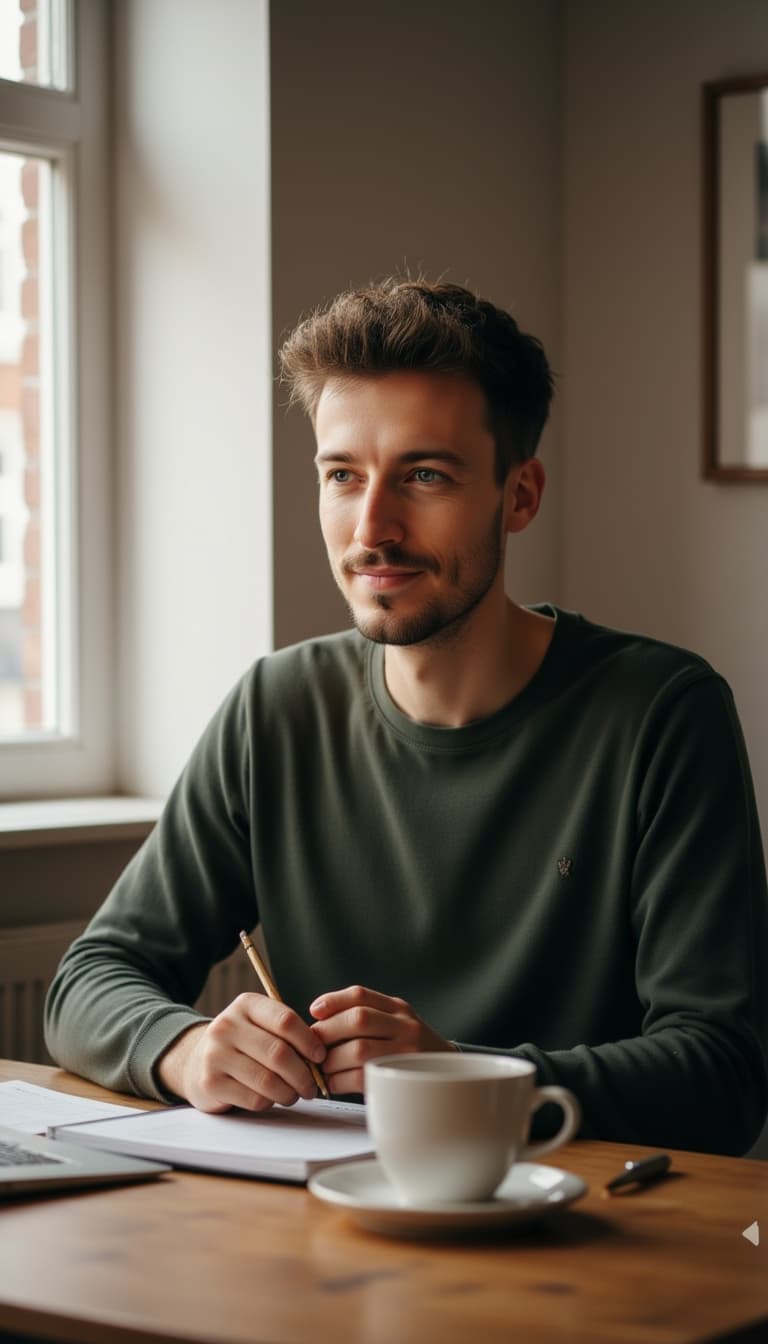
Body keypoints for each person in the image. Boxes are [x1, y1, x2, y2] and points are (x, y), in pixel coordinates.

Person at [45, 277, 768, 1155]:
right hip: (330, 1227)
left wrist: (461, 1074)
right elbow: (90, 978)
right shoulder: (275, 708)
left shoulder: (662, 713)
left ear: (521, 495)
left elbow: (725, 1074)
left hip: (588, 1232)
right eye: (343, 476)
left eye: (424, 475)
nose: (371, 529)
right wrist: (187, 1048)